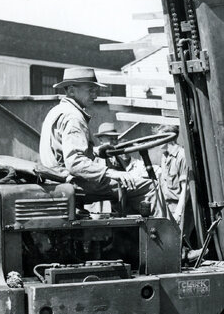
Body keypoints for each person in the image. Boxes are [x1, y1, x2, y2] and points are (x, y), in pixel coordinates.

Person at [39, 67, 154, 213]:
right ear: (72, 90)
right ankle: (165, 235)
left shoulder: (56, 111)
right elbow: (75, 162)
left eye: (95, 90)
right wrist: (114, 173)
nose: (95, 95)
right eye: (90, 90)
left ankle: (127, 230)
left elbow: (63, 150)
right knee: (147, 186)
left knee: (126, 185)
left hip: (57, 179)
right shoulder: (74, 117)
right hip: (71, 182)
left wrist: (96, 151)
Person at [156, 124, 189, 229]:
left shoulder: (182, 156)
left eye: (158, 138)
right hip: (167, 208)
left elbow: (186, 189)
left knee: (179, 242)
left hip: (180, 208)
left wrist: (179, 213)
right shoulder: (164, 157)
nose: (156, 141)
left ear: (168, 138)